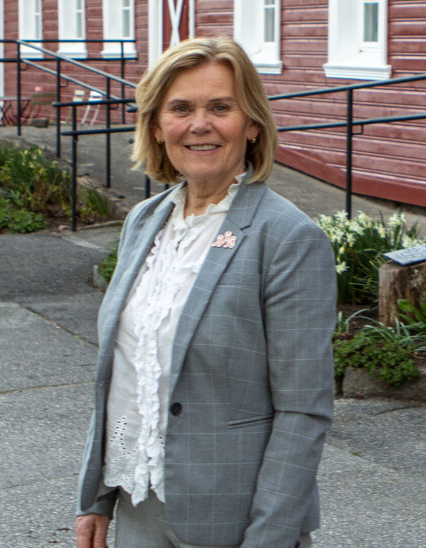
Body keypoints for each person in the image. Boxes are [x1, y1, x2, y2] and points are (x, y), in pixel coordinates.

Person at [75, 35, 337, 548]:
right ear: (156, 125)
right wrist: (97, 498)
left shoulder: (287, 238)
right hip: (138, 504)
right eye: (181, 108)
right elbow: (121, 375)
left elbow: (304, 410)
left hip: (235, 520)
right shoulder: (144, 221)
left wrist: (269, 539)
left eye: (221, 107)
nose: (200, 124)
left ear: (253, 124)